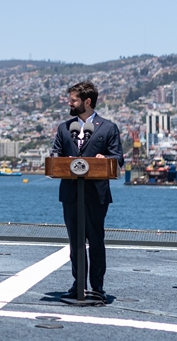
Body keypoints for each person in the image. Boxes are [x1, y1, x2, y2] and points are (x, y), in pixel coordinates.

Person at [51, 81, 123, 303]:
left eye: (73, 100)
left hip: (96, 194)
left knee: (96, 241)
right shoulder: (64, 128)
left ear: (87, 102)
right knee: (75, 242)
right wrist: (61, 161)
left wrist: (105, 159)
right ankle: (78, 284)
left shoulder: (108, 127)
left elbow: (118, 158)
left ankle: (97, 287)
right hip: (71, 193)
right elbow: (55, 156)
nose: (69, 103)